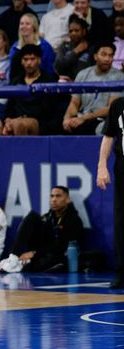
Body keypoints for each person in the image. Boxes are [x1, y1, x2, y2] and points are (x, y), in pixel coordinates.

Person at [0, 44, 63, 136]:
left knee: (19, 125)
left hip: (37, 121)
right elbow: (10, 107)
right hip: (14, 119)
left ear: (39, 60)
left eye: (32, 59)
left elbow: (51, 112)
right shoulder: (16, 81)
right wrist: (8, 119)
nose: (29, 63)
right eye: (25, 59)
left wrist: (20, 120)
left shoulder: (49, 81)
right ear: (21, 61)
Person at [0, 186, 83, 273]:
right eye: (52, 196)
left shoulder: (74, 220)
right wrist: (32, 252)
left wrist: (34, 253)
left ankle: (21, 264)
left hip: (56, 256)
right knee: (32, 217)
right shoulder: (47, 217)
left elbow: (62, 246)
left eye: (58, 196)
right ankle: (13, 258)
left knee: (51, 259)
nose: (54, 199)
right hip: (41, 253)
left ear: (68, 199)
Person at [63, 42, 124, 135]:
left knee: (94, 127)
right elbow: (74, 103)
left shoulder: (119, 77)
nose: (107, 59)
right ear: (95, 56)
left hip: (103, 119)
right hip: (82, 117)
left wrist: (84, 118)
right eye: (104, 54)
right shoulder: (83, 74)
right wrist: (67, 118)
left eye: (111, 55)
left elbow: (111, 108)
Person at [97, 96, 124, 289]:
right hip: (122, 165)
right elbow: (108, 136)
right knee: (121, 220)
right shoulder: (118, 105)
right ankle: (122, 272)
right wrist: (101, 166)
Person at [9, 13, 55, 81]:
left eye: (27, 24)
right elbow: (12, 73)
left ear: (34, 27)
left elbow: (49, 70)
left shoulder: (45, 46)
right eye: (22, 24)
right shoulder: (14, 47)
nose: (24, 26)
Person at [54, 15, 92, 81]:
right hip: (66, 84)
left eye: (76, 30)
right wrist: (75, 51)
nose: (73, 33)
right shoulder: (64, 47)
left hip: (85, 83)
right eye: (71, 31)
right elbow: (58, 67)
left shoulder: (91, 48)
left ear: (84, 32)